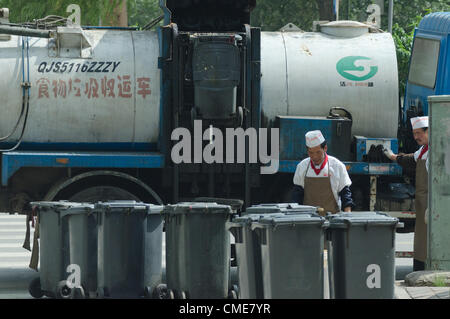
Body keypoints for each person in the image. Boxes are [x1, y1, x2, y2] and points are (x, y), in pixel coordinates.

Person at [383, 116, 429, 271]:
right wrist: (393, 157)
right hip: (423, 203)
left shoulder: (439, 150)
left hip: (433, 202)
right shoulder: (423, 150)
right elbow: (411, 159)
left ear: (429, 131)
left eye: (419, 133)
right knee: (422, 238)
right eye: (414, 134)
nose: (416, 137)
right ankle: (421, 268)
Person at [292, 130, 355, 215]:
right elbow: (297, 195)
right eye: (311, 153)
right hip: (308, 219)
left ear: (325, 148)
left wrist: (348, 215)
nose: (314, 156)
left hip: (333, 219)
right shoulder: (302, 167)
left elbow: (345, 194)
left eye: (318, 152)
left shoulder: (337, 166)